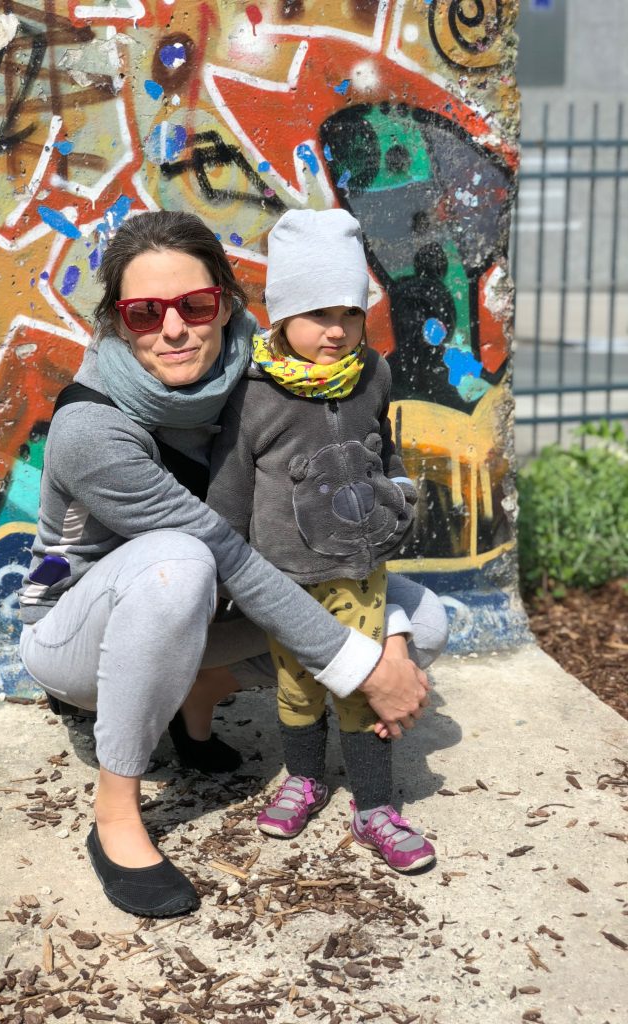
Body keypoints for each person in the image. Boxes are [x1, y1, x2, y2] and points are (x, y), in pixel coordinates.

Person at [17, 210, 439, 919]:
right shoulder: (93, 427)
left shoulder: (266, 375)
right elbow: (224, 555)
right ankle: (116, 814)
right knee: (178, 562)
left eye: (196, 305)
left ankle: (197, 687)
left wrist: (385, 623)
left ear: (228, 304)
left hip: (205, 611)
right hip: (77, 634)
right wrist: (364, 666)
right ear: (119, 322)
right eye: (145, 313)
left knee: (422, 621)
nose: (174, 329)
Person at [207, 209, 444, 872]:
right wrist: (222, 576)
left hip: (360, 568)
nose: (335, 330)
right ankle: (304, 778)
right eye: (316, 314)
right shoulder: (253, 397)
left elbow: (386, 452)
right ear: (280, 317)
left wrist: (399, 495)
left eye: (349, 311)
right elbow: (228, 492)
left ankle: (375, 808)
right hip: (284, 581)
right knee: (299, 689)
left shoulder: (373, 376)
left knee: (359, 690)